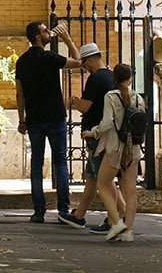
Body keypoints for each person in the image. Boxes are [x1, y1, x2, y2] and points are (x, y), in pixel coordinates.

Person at [15, 20, 81, 225]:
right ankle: (63, 210)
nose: (48, 33)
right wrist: (67, 39)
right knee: (60, 162)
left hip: (34, 118)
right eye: (45, 31)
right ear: (37, 37)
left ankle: (39, 211)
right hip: (54, 116)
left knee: (36, 163)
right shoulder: (50, 57)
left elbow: (19, 94)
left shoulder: (22, 61)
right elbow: (78, 61)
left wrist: (21, 119)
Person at [83, 63, 145, 242]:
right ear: (130, 78)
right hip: (133, 149)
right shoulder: (137, 98)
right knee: (130, 191)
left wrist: (92, 132)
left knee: (103, 184)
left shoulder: (111, 96)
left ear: (114, 78)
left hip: (115, 148)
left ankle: (117, 223)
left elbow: (107, 123)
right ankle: (129, 230)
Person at [68, 43, 114, 232]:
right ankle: (79, 215)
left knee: (104, 179)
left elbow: (86, 107)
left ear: (90, 60)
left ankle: (118, 217)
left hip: (96, 134)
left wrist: (74, 102)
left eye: (84, 65)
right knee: (93, 177)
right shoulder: (110, 76)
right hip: (102, 134)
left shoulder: (96, 79)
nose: (85, 69)